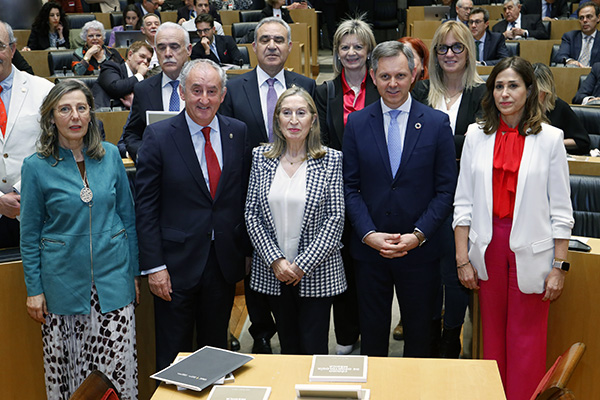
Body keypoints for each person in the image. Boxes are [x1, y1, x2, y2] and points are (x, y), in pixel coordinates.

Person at [454, 56, 574, 400]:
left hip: (534, 253)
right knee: (490, 340)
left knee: (526, 343)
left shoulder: (551, 139)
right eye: (498, 86)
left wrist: (559, 266)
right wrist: (463, 259)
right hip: (486, 250)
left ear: (529, 90)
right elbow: (462, 204)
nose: (505, 93)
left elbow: (562, 211)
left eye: (513, 85)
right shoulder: (476, 136)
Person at [20, 79, 139, 400]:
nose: (75, 116)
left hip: (113, 285)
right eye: (65, 109)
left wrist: (134, 274)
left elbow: (128, 218)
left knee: (116, 375)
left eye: (82, 108)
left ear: (90, 115)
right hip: (63, 288)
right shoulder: (35, 167)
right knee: (74, 379)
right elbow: (29, 234)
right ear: (51, 117)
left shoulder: (112, 156)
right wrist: (35, 291)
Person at [343, 40, 458, 357]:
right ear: (372, 76)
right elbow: (349, 188)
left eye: (400, 76)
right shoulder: (356, 124)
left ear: (414, 74)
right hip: (370, 253)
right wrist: (368, 235)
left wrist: (417, 235)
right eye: (384, 77)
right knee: (373, 339)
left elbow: (446, 190)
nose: (392, 84)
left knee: (420, 339)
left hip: (420, 252)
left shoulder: (436, 124)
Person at [135, 59, 251, 371]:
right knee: (174, 355)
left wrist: (246, 251)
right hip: (174, 267)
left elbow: (240, 196)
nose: (204, 99)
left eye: (212, 91)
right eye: (196, 90)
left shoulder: (237, 133)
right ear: (183, 93)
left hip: (222, 262)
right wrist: (154, 267)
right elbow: (145, 207)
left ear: (223, 94)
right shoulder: (158, 136)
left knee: (216, 352)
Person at [220, 16, 315, 354]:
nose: (272, 46)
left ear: (290, 47)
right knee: (257, 268)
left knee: (293, 269)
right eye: (264, 40)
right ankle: (261, 332)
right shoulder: (233, 88)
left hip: (299, 193)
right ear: (254, 47)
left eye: (279, 40)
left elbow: (317, 140)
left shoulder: (306, 84)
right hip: (252, 197)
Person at [245, 86, 346, 355]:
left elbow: (335, 220)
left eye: (301, 113)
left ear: (313, 119)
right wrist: (276, 260)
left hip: (317, 272)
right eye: (286, 113)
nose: (293, 120)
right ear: (277, 118)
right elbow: (251, 214)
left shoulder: (331, 160)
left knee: (314, 349)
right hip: (274, 273)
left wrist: (301, 265)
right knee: (288, 348)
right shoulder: (261, 158)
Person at [410, 21, 484, 358]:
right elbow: (412, 145)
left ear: (469, 51)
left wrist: (439, 143)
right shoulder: (421, 92)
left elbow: (482, 147)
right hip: (425, 199)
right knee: (425, 275)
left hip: (469, 200)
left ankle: (451, 335)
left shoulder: (484, 95)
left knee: (457, 272)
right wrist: (458, 142)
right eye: (442, 48)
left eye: (457, 47)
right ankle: (427, 332)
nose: (450, 54)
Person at [314, 17, 377, 355]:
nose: (351, 52)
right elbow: (321, 142)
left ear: (369, 51)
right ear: (336, 52)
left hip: (376, 193)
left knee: (372, 270)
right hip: (336, 193)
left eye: (358, 46)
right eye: (345, 46)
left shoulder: (383, 86)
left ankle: (373, 333)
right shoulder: (324, 90)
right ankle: (346, 338)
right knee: (343, 270)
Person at [0, 21, 54, 248]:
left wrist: (20, 191)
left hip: (35, 208)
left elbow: (55, 146)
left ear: (12, 50)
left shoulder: (43, 90)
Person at [122, 22, 191, 162]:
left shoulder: (203, 87)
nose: (167, 53)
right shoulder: (143, 89)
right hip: (157, 172)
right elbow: (132, 134)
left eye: (174, 46)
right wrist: (145, 154)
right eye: (161, 47)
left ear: (188, 49)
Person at [533, 63, 591, 155]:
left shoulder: (560, 107)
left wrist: (555, 143)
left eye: (537, 91)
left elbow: (582, 142)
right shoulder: (521, 107)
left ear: (547, 91)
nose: (532, 96)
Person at [95, 41, 153, 109]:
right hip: (106, 114)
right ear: (130, 55)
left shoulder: (146, 78)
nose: (145, 62)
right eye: (142, 56)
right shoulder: (110, 67)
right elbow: (115, 88)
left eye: (148, 60)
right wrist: (139, 75)